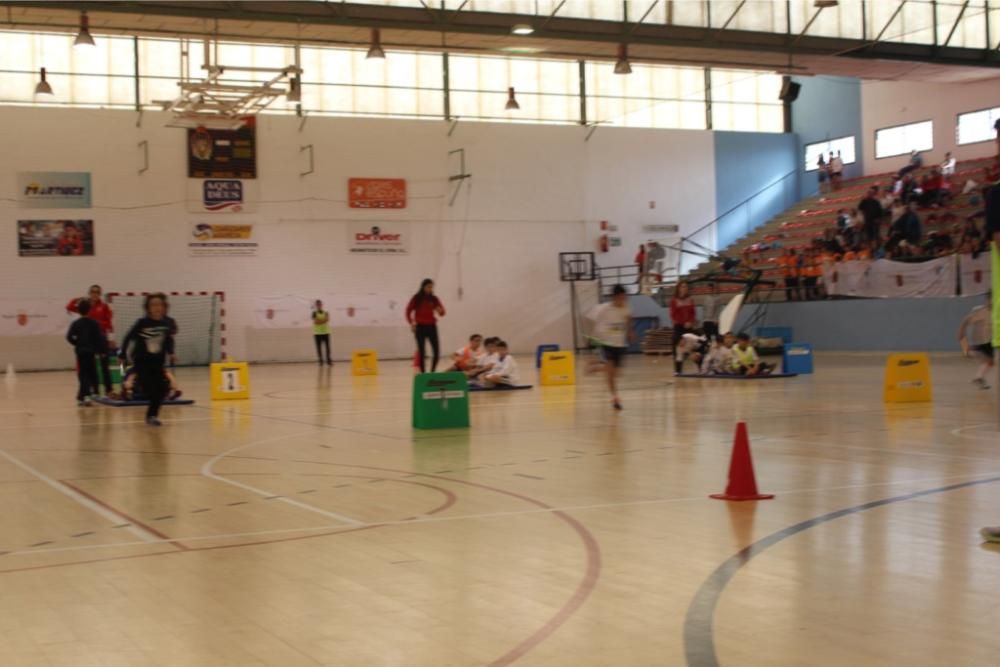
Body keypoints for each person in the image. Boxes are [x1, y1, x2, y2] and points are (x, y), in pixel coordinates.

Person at [119, 293, 175, 427]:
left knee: (161, 390)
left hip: (157, 363)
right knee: (150, 389)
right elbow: (128, 338)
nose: (157, 308)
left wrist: (171, 352)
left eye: (160, 305)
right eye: (153, 305)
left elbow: (168, 340)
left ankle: (152, 415)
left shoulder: (166, 323)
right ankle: (133, 386)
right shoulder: (142, 323)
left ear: (164, 307)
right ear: (148, 308)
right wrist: (122, 355)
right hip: (142, 362)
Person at [587, 284, 633, 410]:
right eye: (621, 297)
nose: (623, 299)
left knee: (617, 373)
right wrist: (592, 339)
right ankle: (615, 397)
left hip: (620, 344)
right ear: (614, 297)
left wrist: (630, 332)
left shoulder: (626, 308)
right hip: (607, 343)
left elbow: (629, 319)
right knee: (611, 374)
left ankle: (598, 367)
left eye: (625, 297)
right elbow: (591, 320)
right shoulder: (603, 309)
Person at [66, 284, 115, 396]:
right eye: (92, 292)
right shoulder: (85, 305)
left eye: (97, 292)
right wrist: (78, 299)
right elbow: (69, 307)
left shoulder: (104, 306)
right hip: (88, 341)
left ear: (100, 294)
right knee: (89, 367)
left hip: (101, 339)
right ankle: (93, 390)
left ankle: (109, 389)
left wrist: (111, 339)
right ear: (89, 293)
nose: (95, 294)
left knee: (104, 364)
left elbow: (109, 324)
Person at [66, 299, 107, 406]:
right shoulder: (94, 323)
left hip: (81, 352)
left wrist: (77, 343)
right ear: (89, 310)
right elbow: (99, 338)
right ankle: (93, 393)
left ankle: (85, 395)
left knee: (83, 373)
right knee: (92, 372)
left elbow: (69, 337)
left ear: (79, 311)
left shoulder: (76, 324)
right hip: (91, 352)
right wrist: (102, 350)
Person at [405, 278, 446, 373]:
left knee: (437, 352)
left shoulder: (434, 299)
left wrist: (441, 311)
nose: (430, 289)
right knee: (422, 352)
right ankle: (423, 373)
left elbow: (443, 312)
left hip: (432, 327)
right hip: (420, 327)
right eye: (428, 287)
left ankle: (432, 371)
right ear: (423, 287)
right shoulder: (416, 298)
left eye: (432, 287)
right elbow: (408, 311)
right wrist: (411, 323)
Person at [959, 294, 994, 389]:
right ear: (988, 299)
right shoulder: (980, 311)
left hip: (990, 341)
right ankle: (978, 378)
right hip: (980, 343)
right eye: (992, 298)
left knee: (990, 362)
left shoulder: (996, 311)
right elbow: (965, 323)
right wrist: (963, 343)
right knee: (988, 361)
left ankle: (978, 378)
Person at [669, 281, 696, 375]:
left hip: (688, 327)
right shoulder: (674, 300)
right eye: (682, 286)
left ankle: (701, 367)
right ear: (678, 288)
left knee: (696, 345)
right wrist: (681, 323)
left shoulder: (690, 300)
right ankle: (678, 370)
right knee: (678, 347)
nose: (684, 288)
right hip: (679, 327)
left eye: (686, 287)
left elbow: (693, 313)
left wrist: (690, 322)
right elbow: (673, 315)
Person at [311, 300, 332, 366]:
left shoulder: (326, 312)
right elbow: (316, 322)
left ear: (322, 304)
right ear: (316, 305)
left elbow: (327, 320)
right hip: (317, 333)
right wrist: (323, 320)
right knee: (319, 348)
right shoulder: (314, 313)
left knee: (328, 348)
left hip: (326, 332)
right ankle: (320, 361)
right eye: (317, 304)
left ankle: (328, 361)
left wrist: (320, 321)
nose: (319, 305)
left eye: (320, 304)